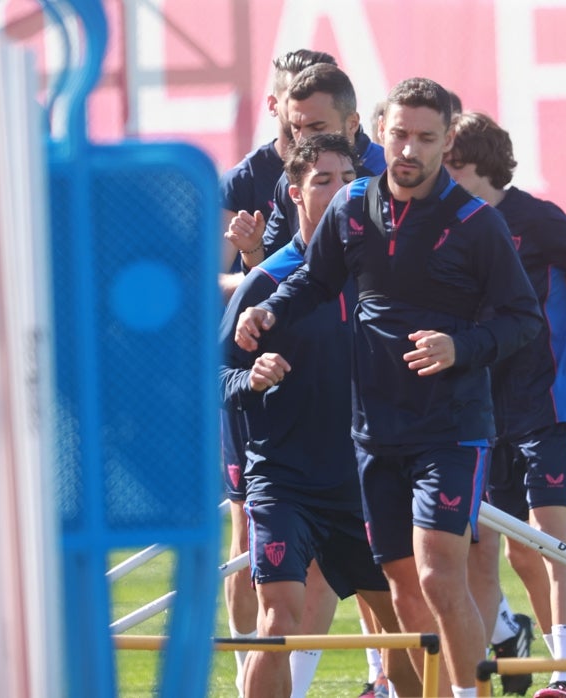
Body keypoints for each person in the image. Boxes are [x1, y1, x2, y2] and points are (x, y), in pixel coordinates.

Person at [236, 78, 543, 697]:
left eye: (426, 138)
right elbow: (312, 283)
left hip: (451, 429)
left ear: (446, 141)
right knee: (402, 587)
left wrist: (462, 347)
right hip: (374, 435)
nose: (409, 149)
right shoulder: (352, 208)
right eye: (400, 134)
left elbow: (524, 321)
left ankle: (469, 695)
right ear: (379, 133)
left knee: (438, 575)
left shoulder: (476, 224)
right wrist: (269, 312)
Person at [445, 112, 566, 698]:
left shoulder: (537, 219)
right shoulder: (452, 227)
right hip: (483, 413)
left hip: (549, 403)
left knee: (550, 540)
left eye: (444, 157)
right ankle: (479, 680)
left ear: (472, 164)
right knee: (490, 553)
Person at [221, 133, 419, 698]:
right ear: (292, 193)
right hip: (284, 483)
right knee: (279, 621)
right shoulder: (266, 282)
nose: (336, 192)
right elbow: (216, 376)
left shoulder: (384, 273)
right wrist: (250, 377)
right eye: (321, 180)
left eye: (347, 181)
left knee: (399, 626)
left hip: (364, 482)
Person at [216, 49, 338, 694]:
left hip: (341, 397)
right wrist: (257, 266)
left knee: (384, 571)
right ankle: (252, 676)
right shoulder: (245, 178)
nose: (305, 128)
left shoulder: (359, 162)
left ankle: (366, 672)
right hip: (265, 393)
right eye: (294, 111)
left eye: (317, 117)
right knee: (246, 528)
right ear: (277, 107)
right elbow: (216, 280)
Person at [234, 63, 386, 270]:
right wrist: (252, 248)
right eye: (296, 128)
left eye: (317, 127)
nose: (304, 139)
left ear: (352, 124)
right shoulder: (289, 180)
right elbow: (269, 270)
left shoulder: (384, 180)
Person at [219, 48, 337, 299]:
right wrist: (263, 272)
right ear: (273, 104)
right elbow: (210, 283)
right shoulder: (241, 182)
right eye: (298, 94)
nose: (308, 104)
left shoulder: (364, 168)